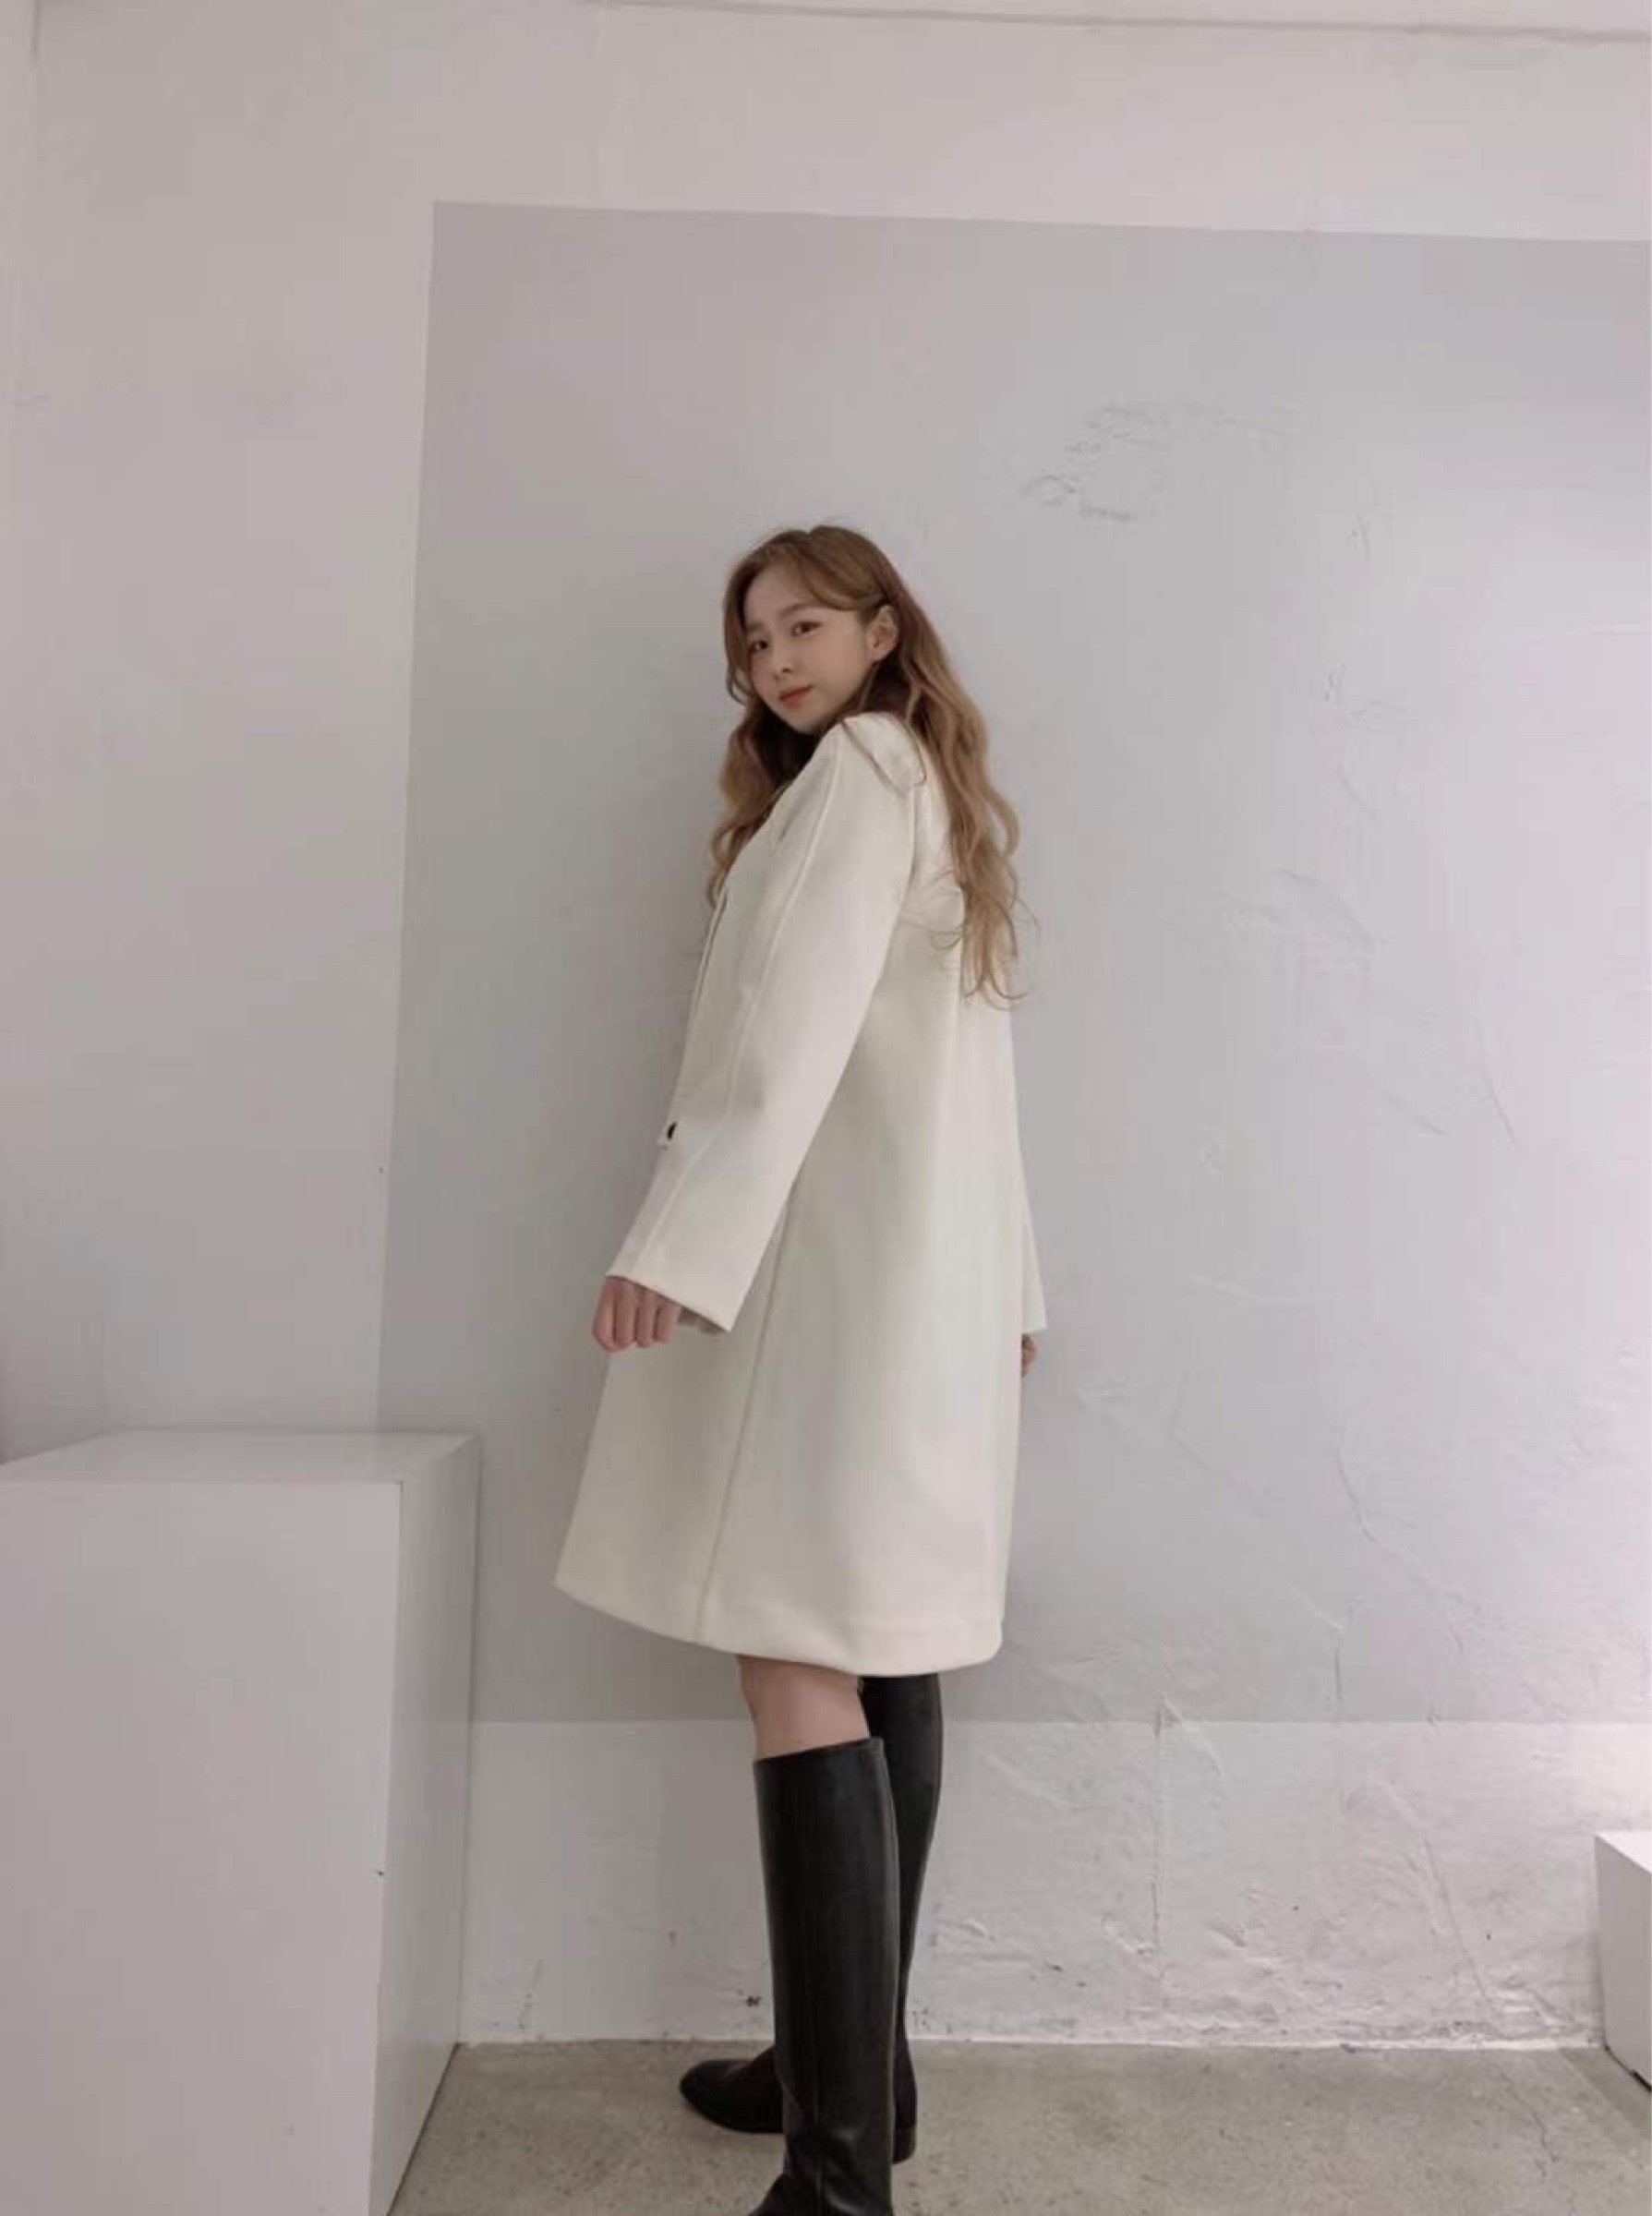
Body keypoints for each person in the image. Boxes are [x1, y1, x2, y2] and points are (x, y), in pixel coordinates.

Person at [552, 522, 1047, 2214]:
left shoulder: (856, 777)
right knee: (877, 1639)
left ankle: (835, 2179)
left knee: (794, 1650)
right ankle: (855, 2075)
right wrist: (1013, 1288)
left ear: (881, 628)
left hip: (819, 1287)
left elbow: (784, 1036)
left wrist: (675, 1240)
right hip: (912, 1290)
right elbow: (976, 1079)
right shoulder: (933, 791)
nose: (774, 662)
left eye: (804, 625)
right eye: (753, 642)